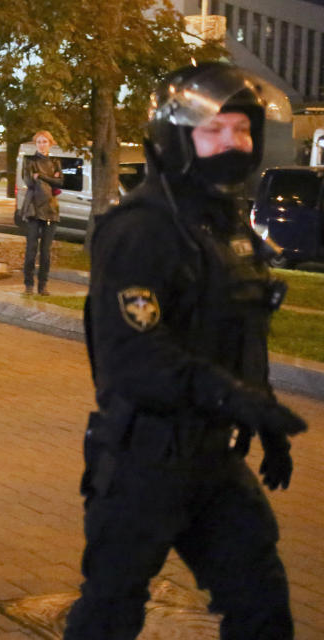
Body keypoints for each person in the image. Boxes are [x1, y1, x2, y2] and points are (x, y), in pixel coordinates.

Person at [63, 62, 309, 640]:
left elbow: (242, 333)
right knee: (110, 613)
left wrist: (264, 420)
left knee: (262, 608)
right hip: (143, 459)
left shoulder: (226, 227)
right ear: (178, 138)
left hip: (214, 459)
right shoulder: (143, 229)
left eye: (242, 131)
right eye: (215, 129)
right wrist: (240, 399)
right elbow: (136, 358)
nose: (233, 143)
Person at [21, 130, 62, 296]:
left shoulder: (55, 162)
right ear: (35, 144)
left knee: (46, 252)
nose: (42, 144)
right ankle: (29, 284)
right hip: (33, 208)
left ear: (50, 143)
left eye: (45, 141)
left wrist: (42, 177)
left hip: (51, 209)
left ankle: (43, 285)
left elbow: (60, 182)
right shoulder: (29, 161)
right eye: (39, 142)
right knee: (31, 249)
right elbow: (29, 181)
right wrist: (50, 178)